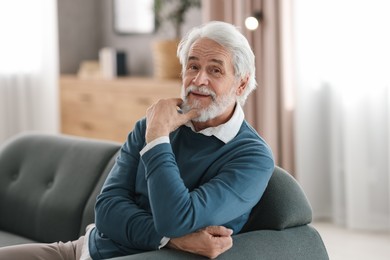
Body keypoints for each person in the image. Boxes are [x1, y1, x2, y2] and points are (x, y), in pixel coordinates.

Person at [0, 21, 274, 260]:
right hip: (81, 249)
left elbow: (176, 218)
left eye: (215, 71)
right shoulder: (150, 123)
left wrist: (157, 140)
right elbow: (106, 210)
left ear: (240, 84)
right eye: (193, 66)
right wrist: (174, 239)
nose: (199, 80)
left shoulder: (251, 157)